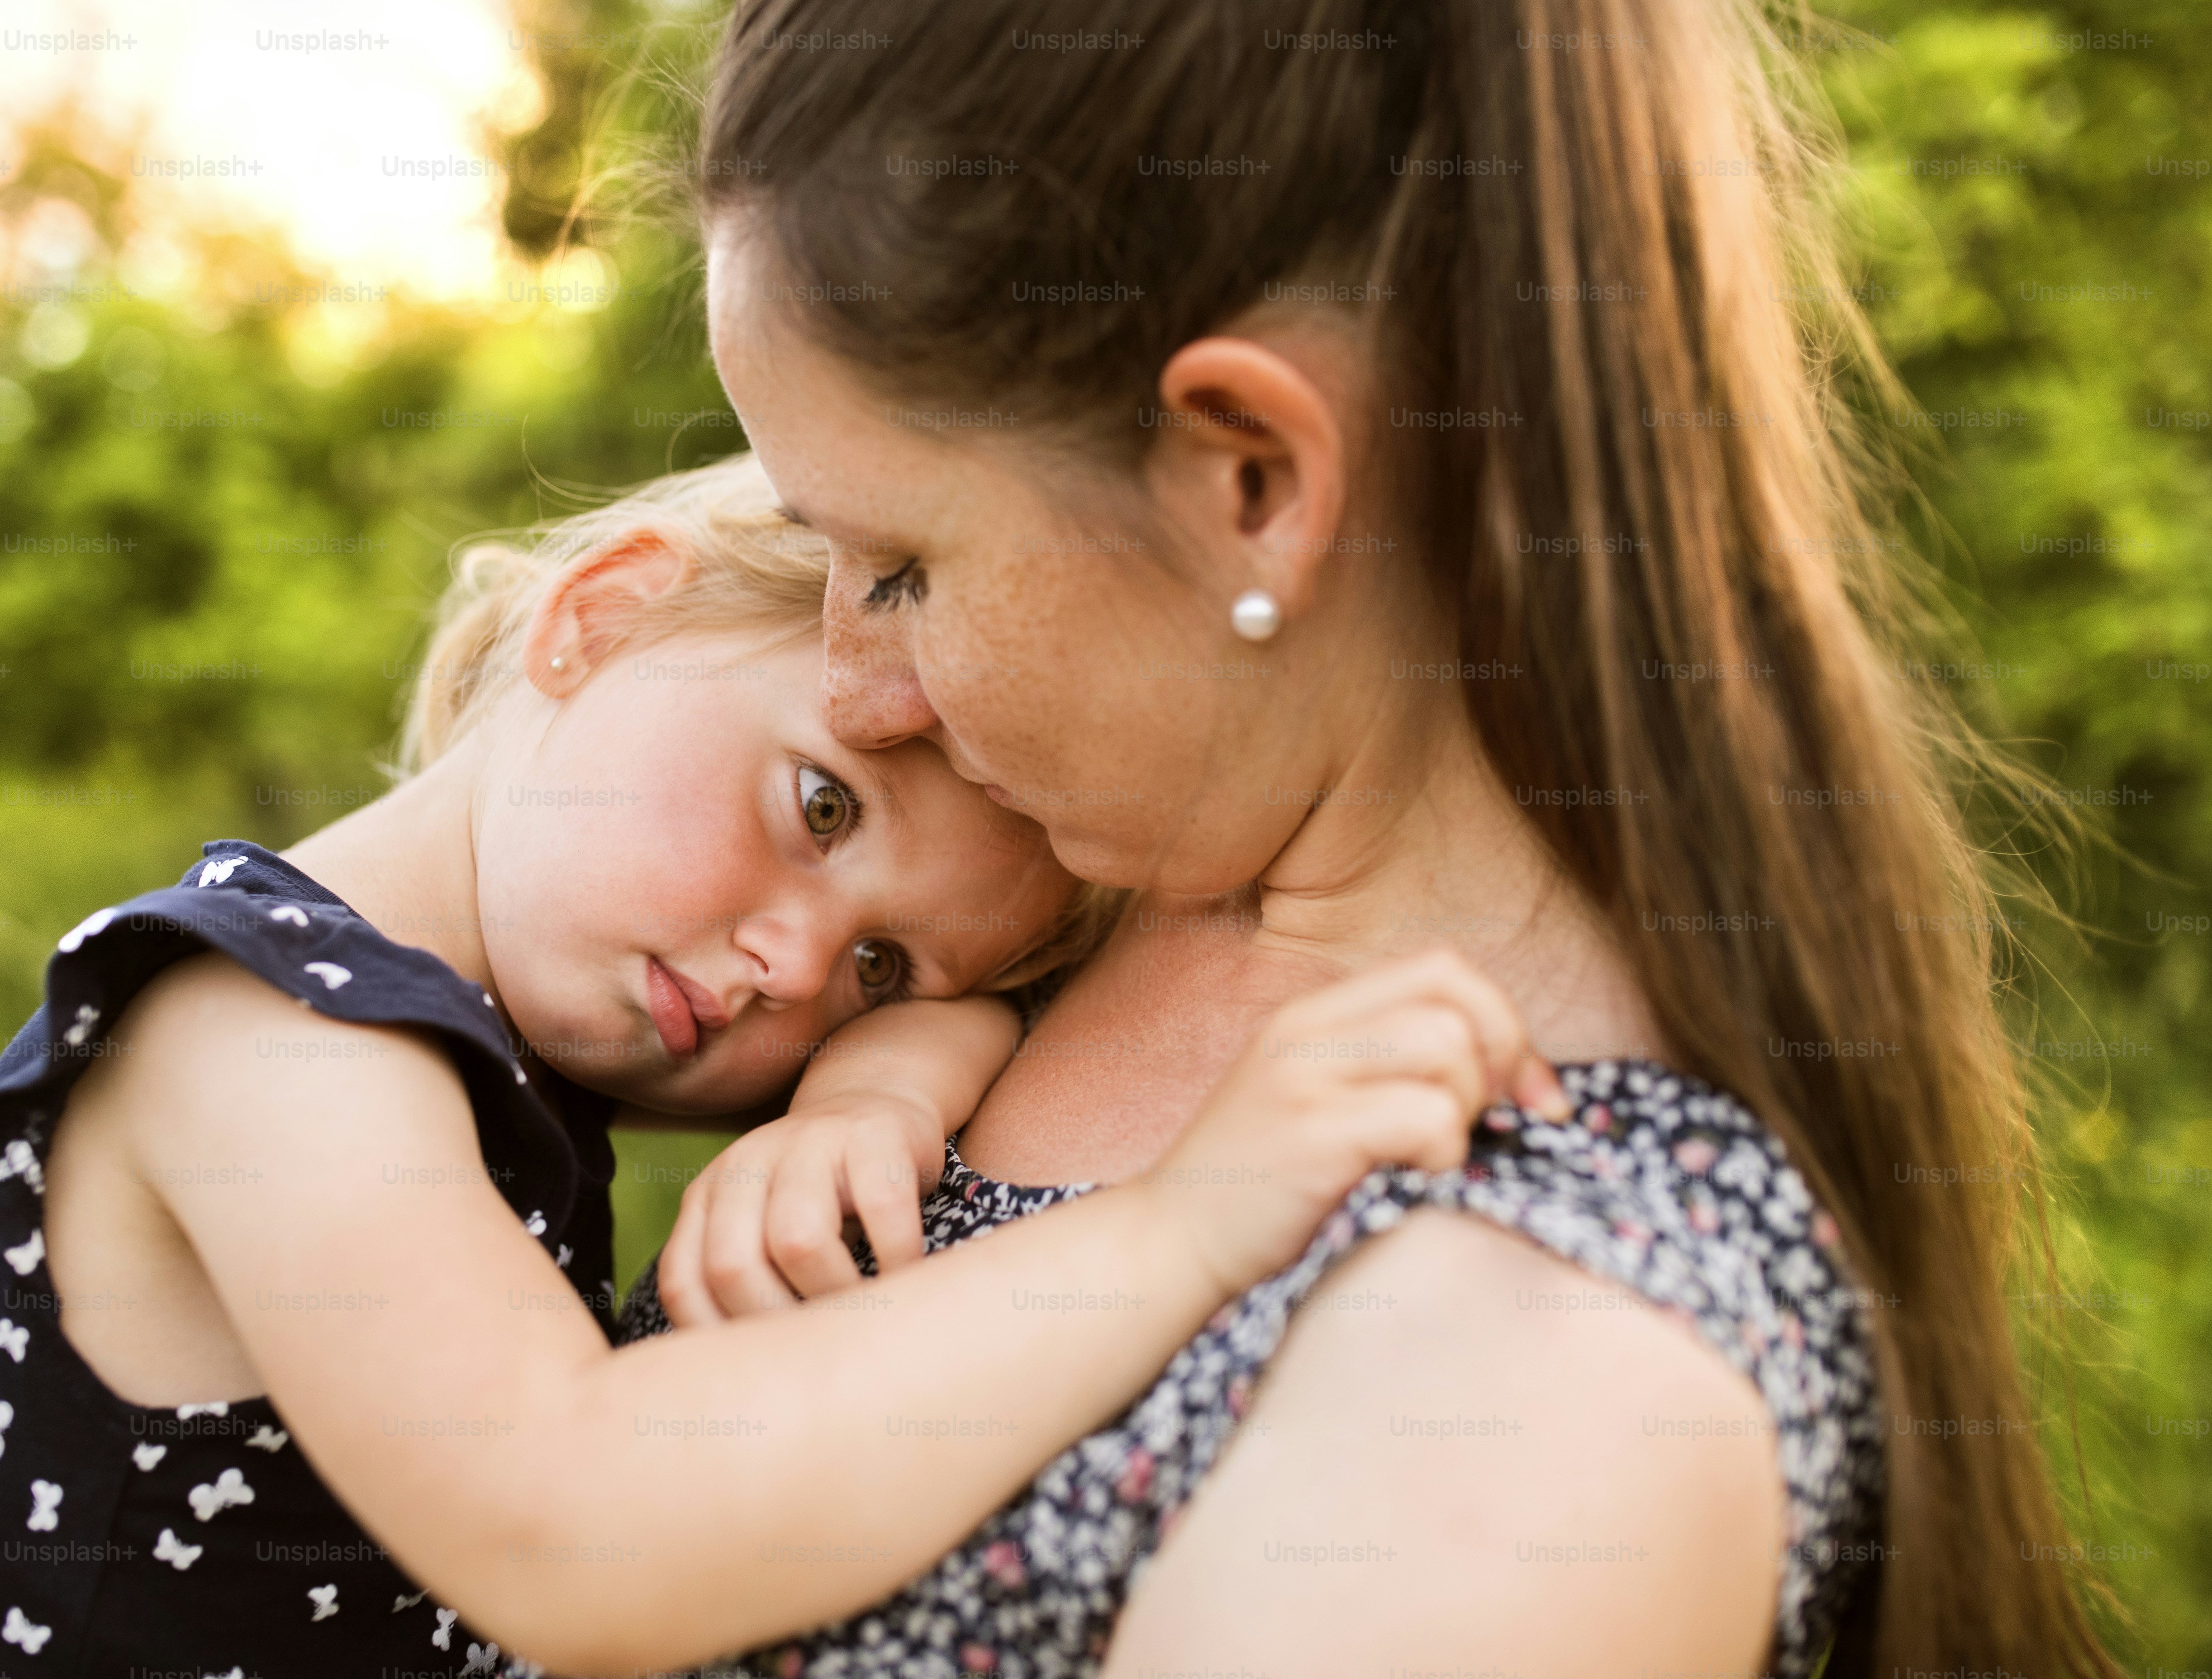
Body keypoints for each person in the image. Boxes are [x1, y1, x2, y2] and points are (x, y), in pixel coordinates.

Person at [641, 1, 2124, 1675]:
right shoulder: (1045, 908)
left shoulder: (1547, 1383)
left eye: (903, 566)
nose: (858, 691)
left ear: (1255, 478)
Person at [0, 454, 1569, 1679]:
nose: (799, 964)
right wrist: (1188, 1222)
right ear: (607, 615)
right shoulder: (262, 1038)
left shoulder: (458, 1024)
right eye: (818, 802)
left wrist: (884, 1083)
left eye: (880, 964)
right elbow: (575, 1525)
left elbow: (975, 1000)